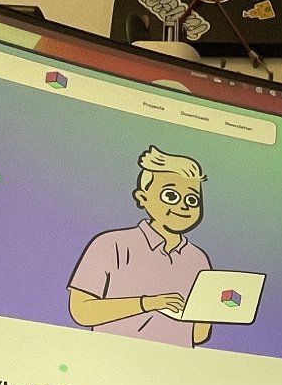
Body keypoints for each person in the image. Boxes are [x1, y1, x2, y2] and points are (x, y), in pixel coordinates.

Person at [67, 147, 214, 347]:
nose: (184, 206)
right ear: (143, 198)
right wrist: (149, 303)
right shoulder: (110, 244)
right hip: (111, 362)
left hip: (174, 368)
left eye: (192, 199)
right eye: (171, 196)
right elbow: (82, 312)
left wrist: (210, 312)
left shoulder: (198, 259)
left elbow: (198, 336)